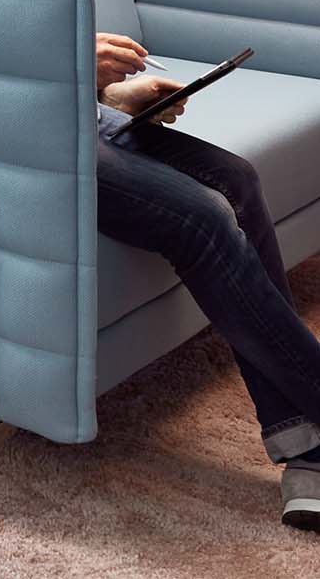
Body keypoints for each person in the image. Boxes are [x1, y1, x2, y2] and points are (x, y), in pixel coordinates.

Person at [94, 31, 320, 532]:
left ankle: (304, 445)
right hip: (9, 131)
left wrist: (102, 93)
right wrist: (69, 60)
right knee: (204, 217)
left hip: (67, 111)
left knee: (236, 178)